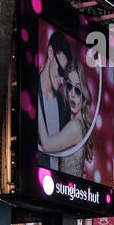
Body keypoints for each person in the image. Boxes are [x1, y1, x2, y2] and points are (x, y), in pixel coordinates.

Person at [37, 56, 95, 178]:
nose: (73, 94)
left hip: (66, 192)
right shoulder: (78, 125)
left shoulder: (75, 127)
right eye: (69, 86)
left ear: (83, 94)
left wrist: (37, 97)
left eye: (78, 90)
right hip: (68, 192)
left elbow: (46, 145)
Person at [36, 30, 74, 171]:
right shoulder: (30, 91)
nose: (61, 80)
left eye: (65, 77)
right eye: (60, 71)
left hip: (58, 185)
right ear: (50, 52)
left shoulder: (63, 106)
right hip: (33, 181)